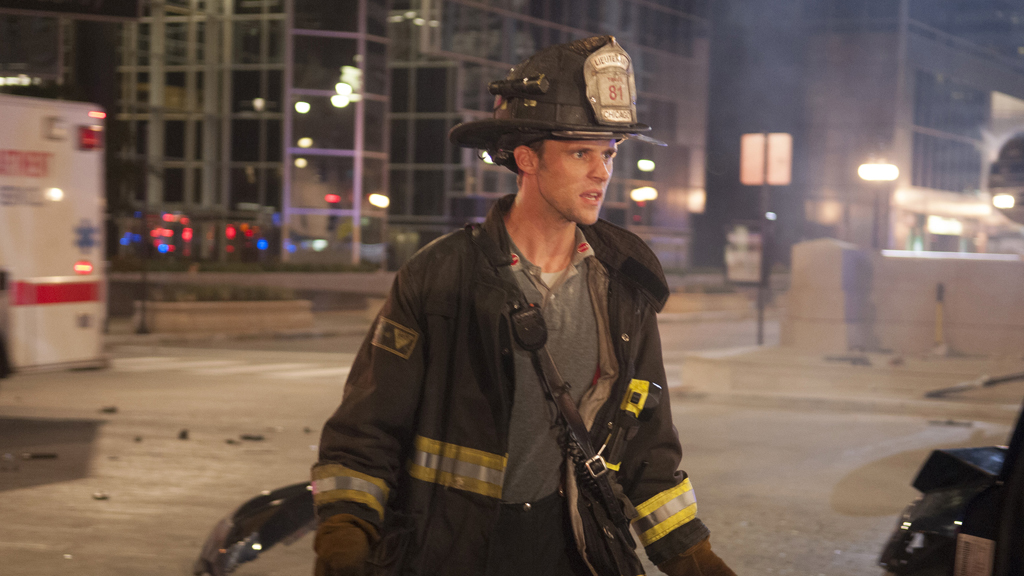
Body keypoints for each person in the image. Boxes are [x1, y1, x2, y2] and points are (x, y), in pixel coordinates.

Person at [311, 35, 735, 576]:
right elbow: (366, 430)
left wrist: (694, 558)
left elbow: (647, 448)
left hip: (575, 552)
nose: (602, 172)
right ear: (527, 158)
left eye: (608, 153)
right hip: (452, 554)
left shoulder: (625, 285)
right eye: (581, 153)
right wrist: (345, 533)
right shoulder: (441, 277)